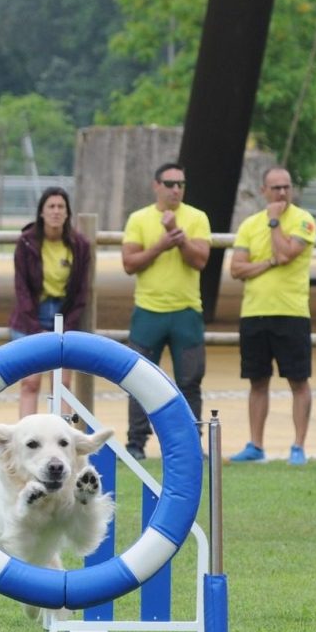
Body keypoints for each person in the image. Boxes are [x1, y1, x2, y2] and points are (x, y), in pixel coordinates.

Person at [121, 162, 212, 459]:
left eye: (181, 184)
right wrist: (161, 244)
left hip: (186, 311)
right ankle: (136, 443)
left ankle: (190, 444)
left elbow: (200, 261)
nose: (176, 189)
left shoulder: (197, 218)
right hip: (148, 311)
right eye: (170, 183)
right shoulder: (139, 219)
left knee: (190, 381)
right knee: (139, 379)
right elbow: (129, 264)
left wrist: (179, 236)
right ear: (156, 185)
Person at [228, 166, 316, 464]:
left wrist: (275, 222)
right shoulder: (249, 224)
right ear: (263, 190)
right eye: (275, 188)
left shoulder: (303, 220)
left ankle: (298, 446)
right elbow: (237, 268)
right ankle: (255, 445)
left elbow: (288, 253)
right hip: (254, 313)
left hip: (291, 312)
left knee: (298, 381)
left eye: (286, 187)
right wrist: (267, 262)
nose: (281, 193)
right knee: (257, 380)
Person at [7, 186, 92, 416]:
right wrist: (36, 330)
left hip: (64, 314)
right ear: (41, 212)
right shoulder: (26, 242)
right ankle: (27, 438)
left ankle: (62, 434)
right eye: (51, 207)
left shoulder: (79, 245)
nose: (56, 212)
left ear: (67, 213)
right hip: (31, 315)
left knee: (62, 383)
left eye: (61, 207)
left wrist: (66, 327)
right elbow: (21, 289)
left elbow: (81, 292)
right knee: (30, 382)